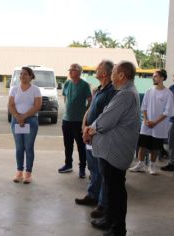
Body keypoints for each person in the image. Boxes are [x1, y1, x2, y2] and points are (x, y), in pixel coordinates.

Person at [84, 61, 140, 236]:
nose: (111, 74)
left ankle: (117, 228)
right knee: (110, 188)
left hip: (115, 152)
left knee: (115, 192)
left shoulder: (126, 95)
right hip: (112, 151)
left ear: (122, 75)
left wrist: (90, 130)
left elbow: (106, 120)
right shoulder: (125, 92)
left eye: (114, 72)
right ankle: (109, 220)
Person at [75, 60, 115, 220]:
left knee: (102, 172)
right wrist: (84, 126)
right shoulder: (98, 90)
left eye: (98, 69)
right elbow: (90, 110)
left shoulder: (112, 92)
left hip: (99, 136)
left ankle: (103, 204)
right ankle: (92, 195)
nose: (95, 71)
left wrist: (90, 131)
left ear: (104, 73)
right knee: (93, 170)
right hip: (89, 134)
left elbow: (105, 117)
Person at [129, 69, 174, 175]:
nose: (153, 78)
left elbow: (167, 112)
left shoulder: (168, 93)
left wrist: (155, 122)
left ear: (162, 78)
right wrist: (145, 120)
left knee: (155, 147)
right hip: (146, 124)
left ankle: (152, 166)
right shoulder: (149, 91)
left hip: (159, 126)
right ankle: (140, 165)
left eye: (155, 76)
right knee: (142, 145)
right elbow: (144, 107)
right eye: (153, 76)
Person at [8, 67, 42, 184]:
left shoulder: (36, 90)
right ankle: (19, 172)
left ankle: (28, 173)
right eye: (21, 74)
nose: (22, 76)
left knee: (28, 147)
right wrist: (18, 117)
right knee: (19, 147)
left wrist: (24, 116)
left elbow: (37, 106)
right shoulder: (14, 89)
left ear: (31, 76)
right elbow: (11, 105)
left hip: (31, 121)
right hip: (16, 121)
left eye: (25, 74)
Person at [58, 63, 92, 178]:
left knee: (81, 146)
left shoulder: (84, 85)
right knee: (68, 144)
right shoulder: (67, 83)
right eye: (70, 70)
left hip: (79, 121)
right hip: (66, 120)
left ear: (79, 72)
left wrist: (86, 114)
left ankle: (82, 168)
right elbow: (65, 98)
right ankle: (68, 165)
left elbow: (90, 100)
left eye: (73, 70)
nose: (70, 71)